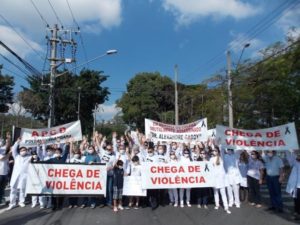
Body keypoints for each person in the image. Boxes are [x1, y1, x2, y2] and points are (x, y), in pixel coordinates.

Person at [7, 138, 32, 210]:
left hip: (24, 175)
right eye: (21, 150)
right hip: (15, 176)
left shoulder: (29, 157)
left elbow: (35, 157)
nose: (23, 151)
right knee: (13, 189)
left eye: (24, 150)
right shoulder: (16, 156)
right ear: (19, 151)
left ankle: (21, 201)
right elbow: (14, 149)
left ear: (26, 151)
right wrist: (17, 142)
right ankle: (12, 203)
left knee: (22, 189)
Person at [46, 144, 70, 211]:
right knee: (53, 193)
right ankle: (53, 205)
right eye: (56, 152)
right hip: (54, 179)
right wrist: (34, 161)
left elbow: (66, 152)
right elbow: (43, 163)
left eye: (58, 152)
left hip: (62, 179)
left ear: (60, 153)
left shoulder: (63, 159)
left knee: (61, 193)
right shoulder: (51, 159)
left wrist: (67, 144)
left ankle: (60, 205)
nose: (57, 153)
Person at [210, 147, 231, 214]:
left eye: (215, 151)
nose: (214, 152)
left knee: (223, 193)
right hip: (214, 178)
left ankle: (226, 207)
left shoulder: (221, 157)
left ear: (218, 151)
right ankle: (217, 204)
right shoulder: (211, 159)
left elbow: (222, 148)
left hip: (221, 178)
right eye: (213, 151)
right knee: (215, 192)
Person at [286, 150, 300, 220]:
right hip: (296, 186)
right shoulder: (296, 163)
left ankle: (297, 213)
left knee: (298, 200)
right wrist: (288, 149)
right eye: (298, 155)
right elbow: (289, 157)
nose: (298, 156)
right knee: (296, 200)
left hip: (298, 185)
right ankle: (297, 212)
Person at [0, 133, 11, 205]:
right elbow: (3, 158)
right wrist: (9, 153)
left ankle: (1, 199)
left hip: (5, 172)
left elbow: (7, 147)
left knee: (2, 187)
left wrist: (9, 139)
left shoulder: (2, 149)